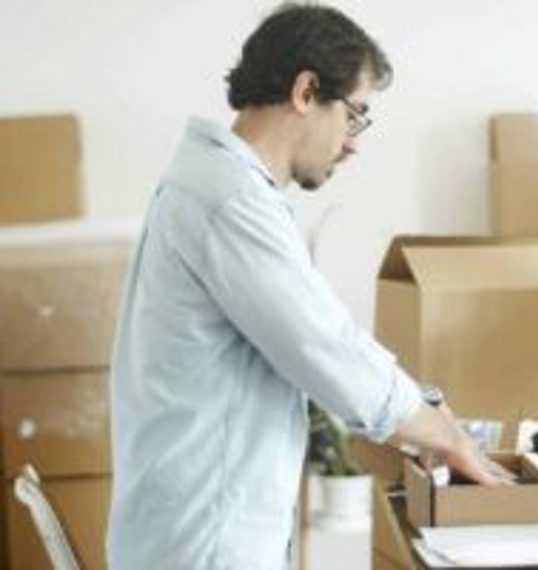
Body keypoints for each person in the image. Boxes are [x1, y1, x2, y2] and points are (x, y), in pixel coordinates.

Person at [107, 3, 510, 569]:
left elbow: (319, 334)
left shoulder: (218, 186)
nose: (353, 143)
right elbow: (325, 348)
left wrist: (423, 419)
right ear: (305, 90)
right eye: (355, 115)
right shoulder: (229, 201)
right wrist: (445, 434)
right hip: (206, 545)